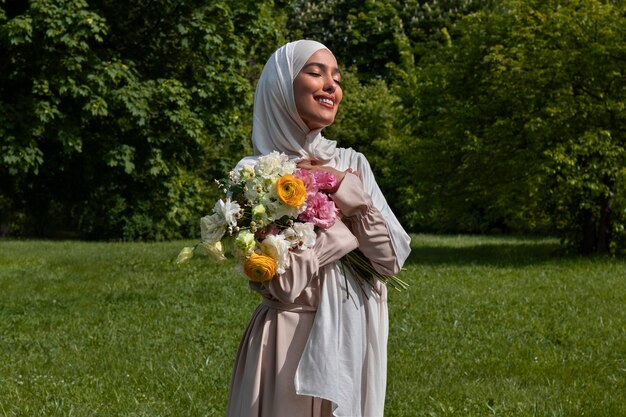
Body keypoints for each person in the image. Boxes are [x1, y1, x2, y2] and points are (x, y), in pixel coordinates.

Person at [226, 40, 411, 417]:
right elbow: (281, 286)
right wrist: (338, 237)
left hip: (352, 334)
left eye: (337, 78)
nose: (331, 85)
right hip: (288, 342)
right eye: (315, 72)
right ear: (281, 86)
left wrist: (343, 189)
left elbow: (389, 262)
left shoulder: (351, 163)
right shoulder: (254, 176)